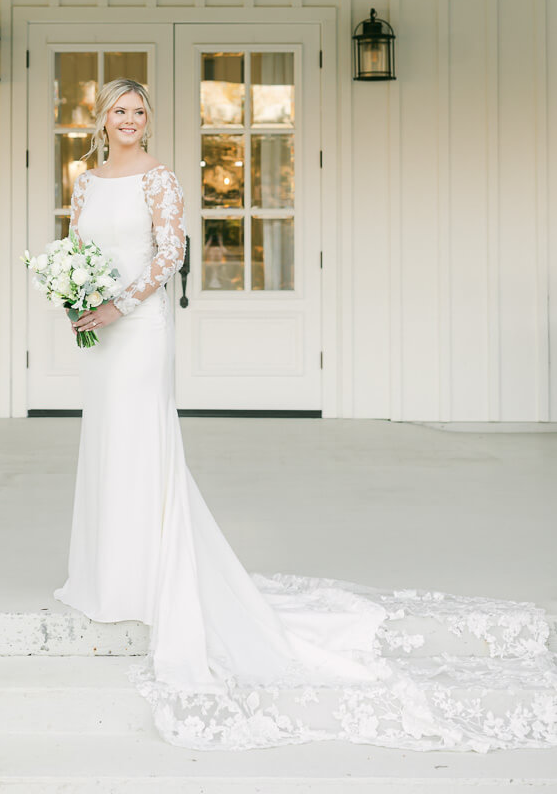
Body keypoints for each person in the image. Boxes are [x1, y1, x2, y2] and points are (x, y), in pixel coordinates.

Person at [52, 78, 557, 752]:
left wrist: (119, 304)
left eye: (140, 111)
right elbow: (77, 251)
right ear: (102, 117)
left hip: (140, 329)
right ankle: (104, 572)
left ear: (148, 121)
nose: (130, 120)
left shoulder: (160, 179)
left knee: (142, 439)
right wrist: (78, 298)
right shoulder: (85, 183)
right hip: (99, 333)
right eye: (120, 110)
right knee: (106, 440)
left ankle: (152, 576)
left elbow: (170, 255)